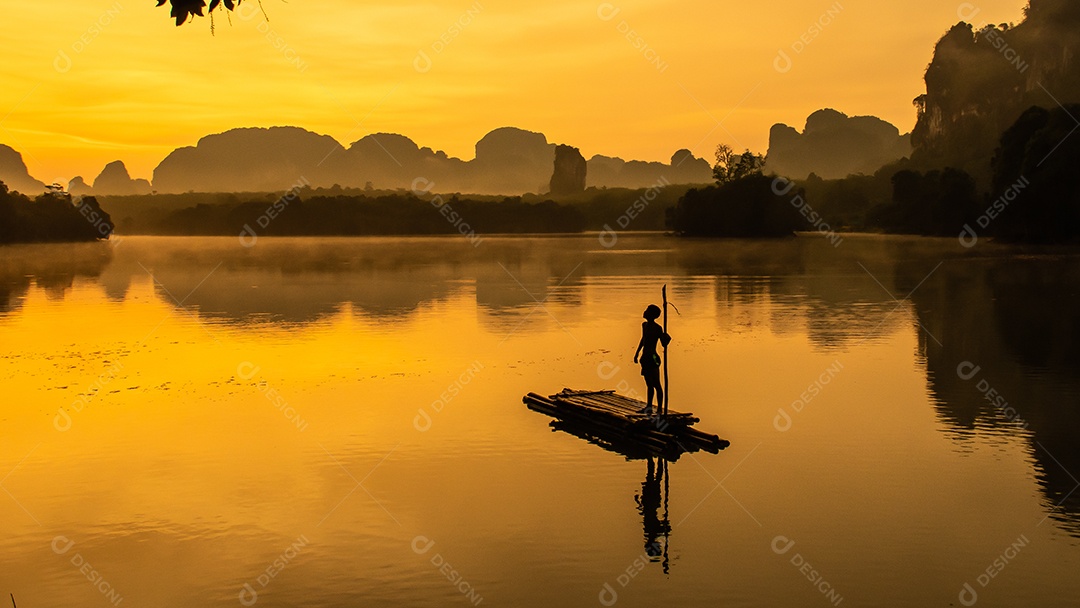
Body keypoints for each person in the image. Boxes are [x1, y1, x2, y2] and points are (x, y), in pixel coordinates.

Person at [633, 304, 670, 415]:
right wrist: (637, 353)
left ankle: (659, 409)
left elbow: (664, 344)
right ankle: (649, 407)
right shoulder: (644, 325)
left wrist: (667, 338)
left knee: (656, 384)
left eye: (647, 311)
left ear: (652, 315)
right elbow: (643, 339)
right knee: (649, 384)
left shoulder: (658, 328)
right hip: (645, 358)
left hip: (654, 357)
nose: (644, 312)